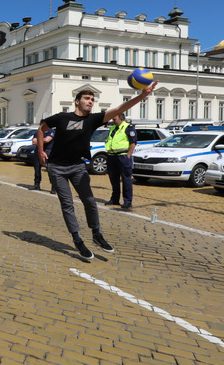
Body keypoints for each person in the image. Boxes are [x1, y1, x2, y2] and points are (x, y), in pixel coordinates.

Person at [36, 82, 157, 260]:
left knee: (90, 201)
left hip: (78, 167)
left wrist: (142, 95)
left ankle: (96, 234)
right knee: (67, 204)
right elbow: (41, 129)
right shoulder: (62, 117)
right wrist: (40, 151)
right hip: (57, 168)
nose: (90, 102)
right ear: (77, 101)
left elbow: (120, 108)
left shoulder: (92, 120)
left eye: (92, 99)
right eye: (87, 98)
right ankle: (77, 239)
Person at [104, 113, 137, 208]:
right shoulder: (113, 128)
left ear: (121, 118)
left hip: (123, 156)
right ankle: (115, 199)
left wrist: (128, 155)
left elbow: (133, 142)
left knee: (126, 179)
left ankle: (127, 201)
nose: (112, 121)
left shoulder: (128, 127)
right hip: (112, 156)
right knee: (114, 179)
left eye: (114, 119)